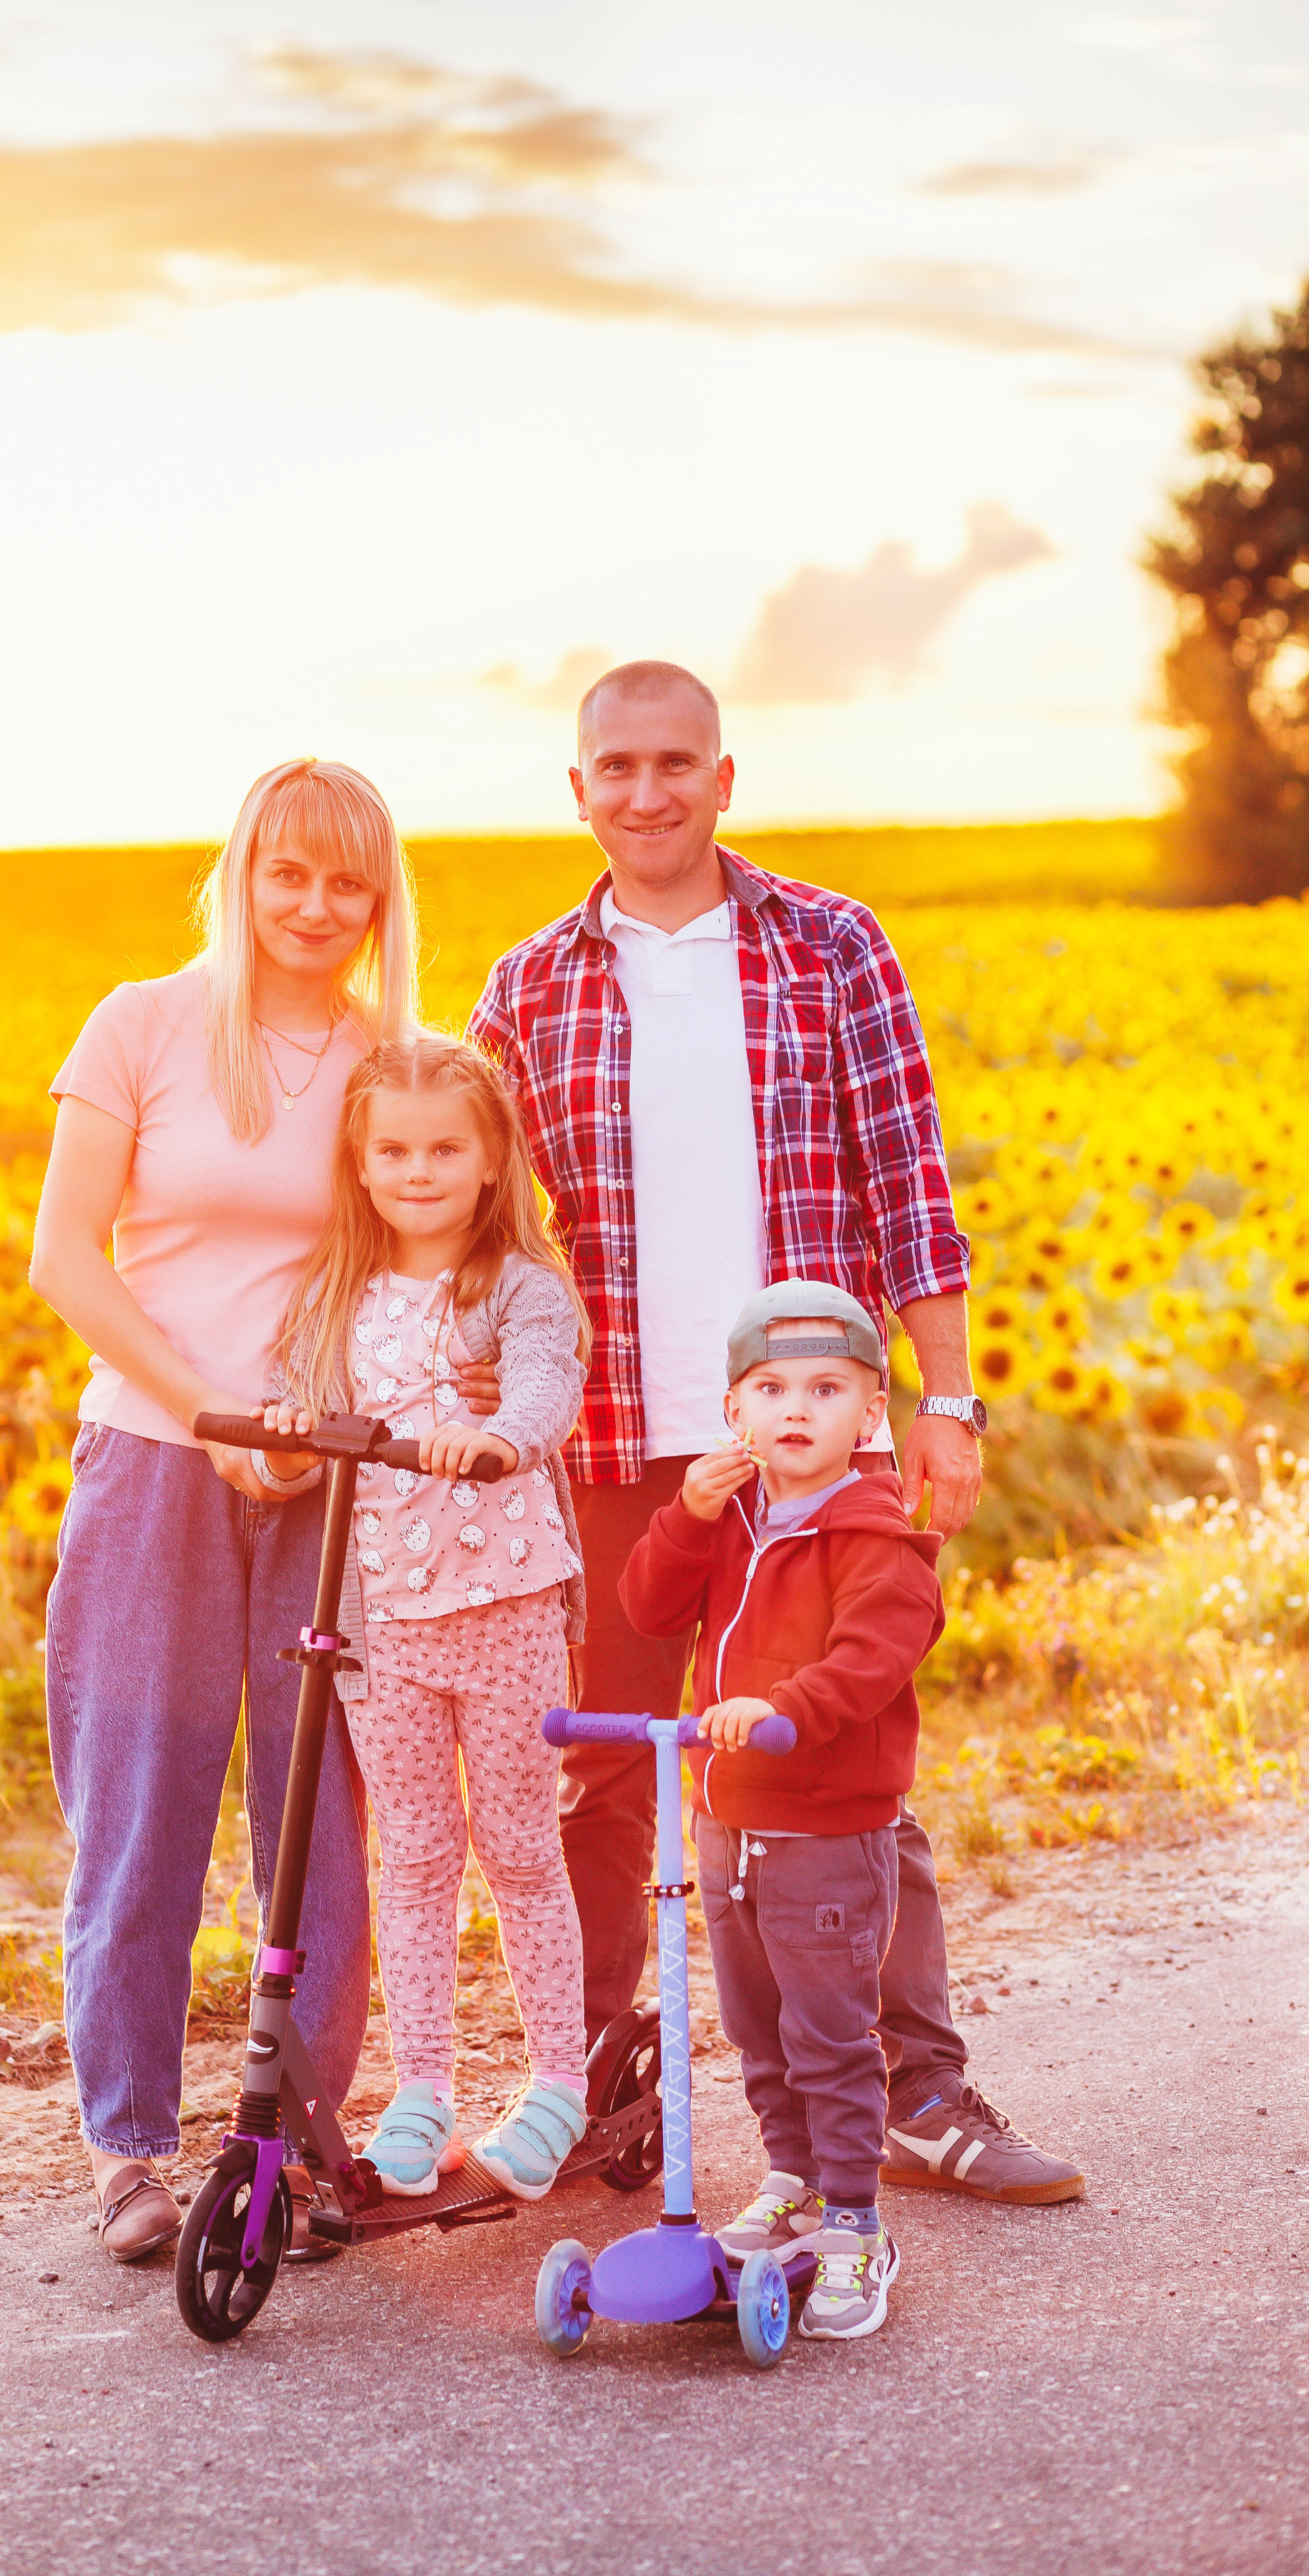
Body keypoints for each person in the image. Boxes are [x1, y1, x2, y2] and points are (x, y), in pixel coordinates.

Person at [468, 659, 1083, 2204]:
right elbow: (473, 1226)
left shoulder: (831, 944)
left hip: (814, 1443)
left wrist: (945, 1405)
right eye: (618, 768)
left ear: (724, 778)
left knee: (845, 1779)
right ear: (579, 791)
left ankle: (914, 2091)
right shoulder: (525, 988)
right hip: (619, 1447)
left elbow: (912, 1188)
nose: (648, 793)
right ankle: (595, 2082)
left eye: (677, 763)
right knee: (611, 1779)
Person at [29, 757, 420, 2265]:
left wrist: (331, 1427)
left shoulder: (390, 1061)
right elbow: (67, 1258)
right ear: (244, 873)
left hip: (327, 1478)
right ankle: (127, 2145)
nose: (316, 906)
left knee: (319, 1827)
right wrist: (210, 1416)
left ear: (380, 899)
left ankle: (293, 2141)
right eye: (289, 874)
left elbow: (416, 1265)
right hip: (155, 1460)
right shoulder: (143, 1025)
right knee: (140, 1809)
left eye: (348, 882)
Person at [259, 1033, 592, 2202]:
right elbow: (298, 1405)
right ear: (359, 1164)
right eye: (394, 1151)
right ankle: (424, 2086)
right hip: (387, 1624)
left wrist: (498, 1438)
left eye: (446, 1149)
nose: (419, 1171)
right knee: (412, 1857)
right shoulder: (335, 1295)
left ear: (492, 1159)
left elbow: (549, 1381)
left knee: (520, 1849)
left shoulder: (517, 1288)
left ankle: (559, 2078)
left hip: (506, 1611)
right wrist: (287, 1438)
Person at [619, 1282, 946, 2341]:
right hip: (729, 1828)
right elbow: (648, 1609)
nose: (795, 1408)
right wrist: (685, 1515)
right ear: (734, 1411)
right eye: (770, 1389)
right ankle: (792, 2177)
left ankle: (855, 2221)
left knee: (828, 2036)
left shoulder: (878, 1536)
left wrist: (785, 1709)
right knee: (759, 2031)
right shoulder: (725, 1521)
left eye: (826, 1389)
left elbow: (872, 1659)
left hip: (828, 1834)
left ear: (871, 1413)